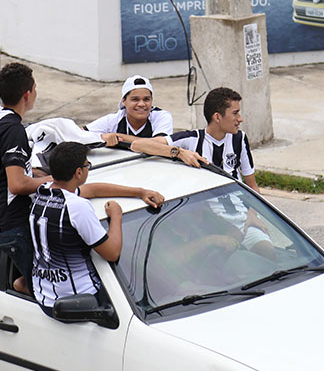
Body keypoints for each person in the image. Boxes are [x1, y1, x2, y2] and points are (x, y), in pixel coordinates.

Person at [133, 87, 274, 260]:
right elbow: (138, 145)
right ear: (217, 117)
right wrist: (179, 152)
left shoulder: (239, 139)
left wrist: (254, 213)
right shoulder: (191, 140)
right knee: (231, 262)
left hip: (243, 218)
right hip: (211, 223)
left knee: (269, 254)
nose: (240, 119)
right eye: (235, 113)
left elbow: (251, 185)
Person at [29, 142, 125, 317]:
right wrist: (116, 216)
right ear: (79, 172)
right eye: (87, 165)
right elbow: (112, 253)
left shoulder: (42, 192)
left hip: (43, 292)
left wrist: (140, 192)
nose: (88, 168)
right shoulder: (77, 207)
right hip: (76, 299)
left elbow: (92, 190)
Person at [0, 62, 52, 295]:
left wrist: (36, 174)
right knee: (46, 289)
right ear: (27, 94)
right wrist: (52, 180)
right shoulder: (13, 129)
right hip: (11, 225)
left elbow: (7, 170)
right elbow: (17, 184)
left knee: (33, 281)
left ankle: (22, 283)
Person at [85, 75, 173, 144]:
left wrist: (118, 136)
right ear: (123, 101)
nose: (141, 104)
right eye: (135, 99)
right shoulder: (115, 119)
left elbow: (159, 144)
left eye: (146, 99)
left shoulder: (162, 116)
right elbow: (81, 134)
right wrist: (103, 137)